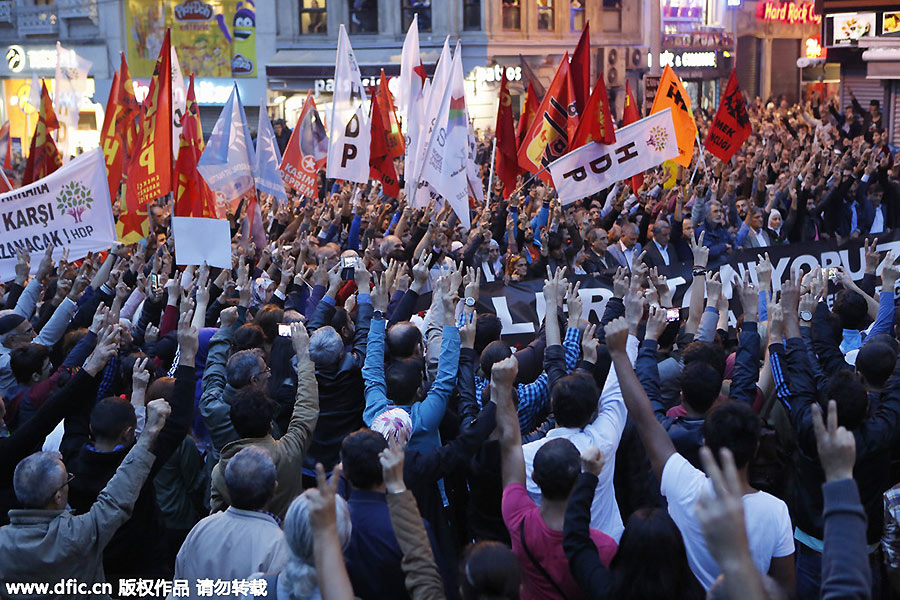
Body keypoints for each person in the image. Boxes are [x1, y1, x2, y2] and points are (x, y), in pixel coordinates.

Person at [605, 314, 795, 593]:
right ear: (755, 448)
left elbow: (645, 418)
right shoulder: (776, 511)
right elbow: (786, 590)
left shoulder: (686, 487)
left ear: (706, 443)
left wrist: (619, 354)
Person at [0, 399, 171, 598]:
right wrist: (148, 434)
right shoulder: (77, 536)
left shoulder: (3, 542)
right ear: (57, 496)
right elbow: (116, 497)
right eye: (67, 480)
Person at [210, 321, 319, 520]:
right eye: (265, 370)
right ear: (271, 424)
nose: (269, 373)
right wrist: (303, 354)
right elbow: (306, 408)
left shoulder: (220, 470)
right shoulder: (287, 452)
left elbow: (216, 509)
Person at [174, 447, 290, 596]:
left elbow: (177, 589)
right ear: (274, 488)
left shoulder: (201, 529)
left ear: (227, 488)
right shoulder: (278, 543)